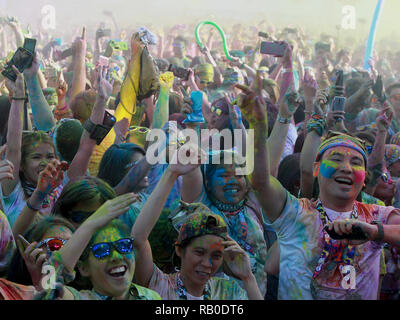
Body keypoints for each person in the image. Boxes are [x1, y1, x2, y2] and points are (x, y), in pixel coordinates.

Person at [235, 74, 400, 300]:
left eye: (355, 163)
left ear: (364, 177)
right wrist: (258, 126)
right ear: (316, 169)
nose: (347, 168)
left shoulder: (375, 214)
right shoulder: (294, 213)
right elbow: (260, 181)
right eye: (336, 159)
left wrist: (375, 232)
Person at [132, 144, 263, 300]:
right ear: (180, 250)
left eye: (216, 255)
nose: (207, 263)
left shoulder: (227, 292)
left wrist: (248, 277)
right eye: (199, 252)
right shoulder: (160, 286)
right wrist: (171, 173)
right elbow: (138, 239)